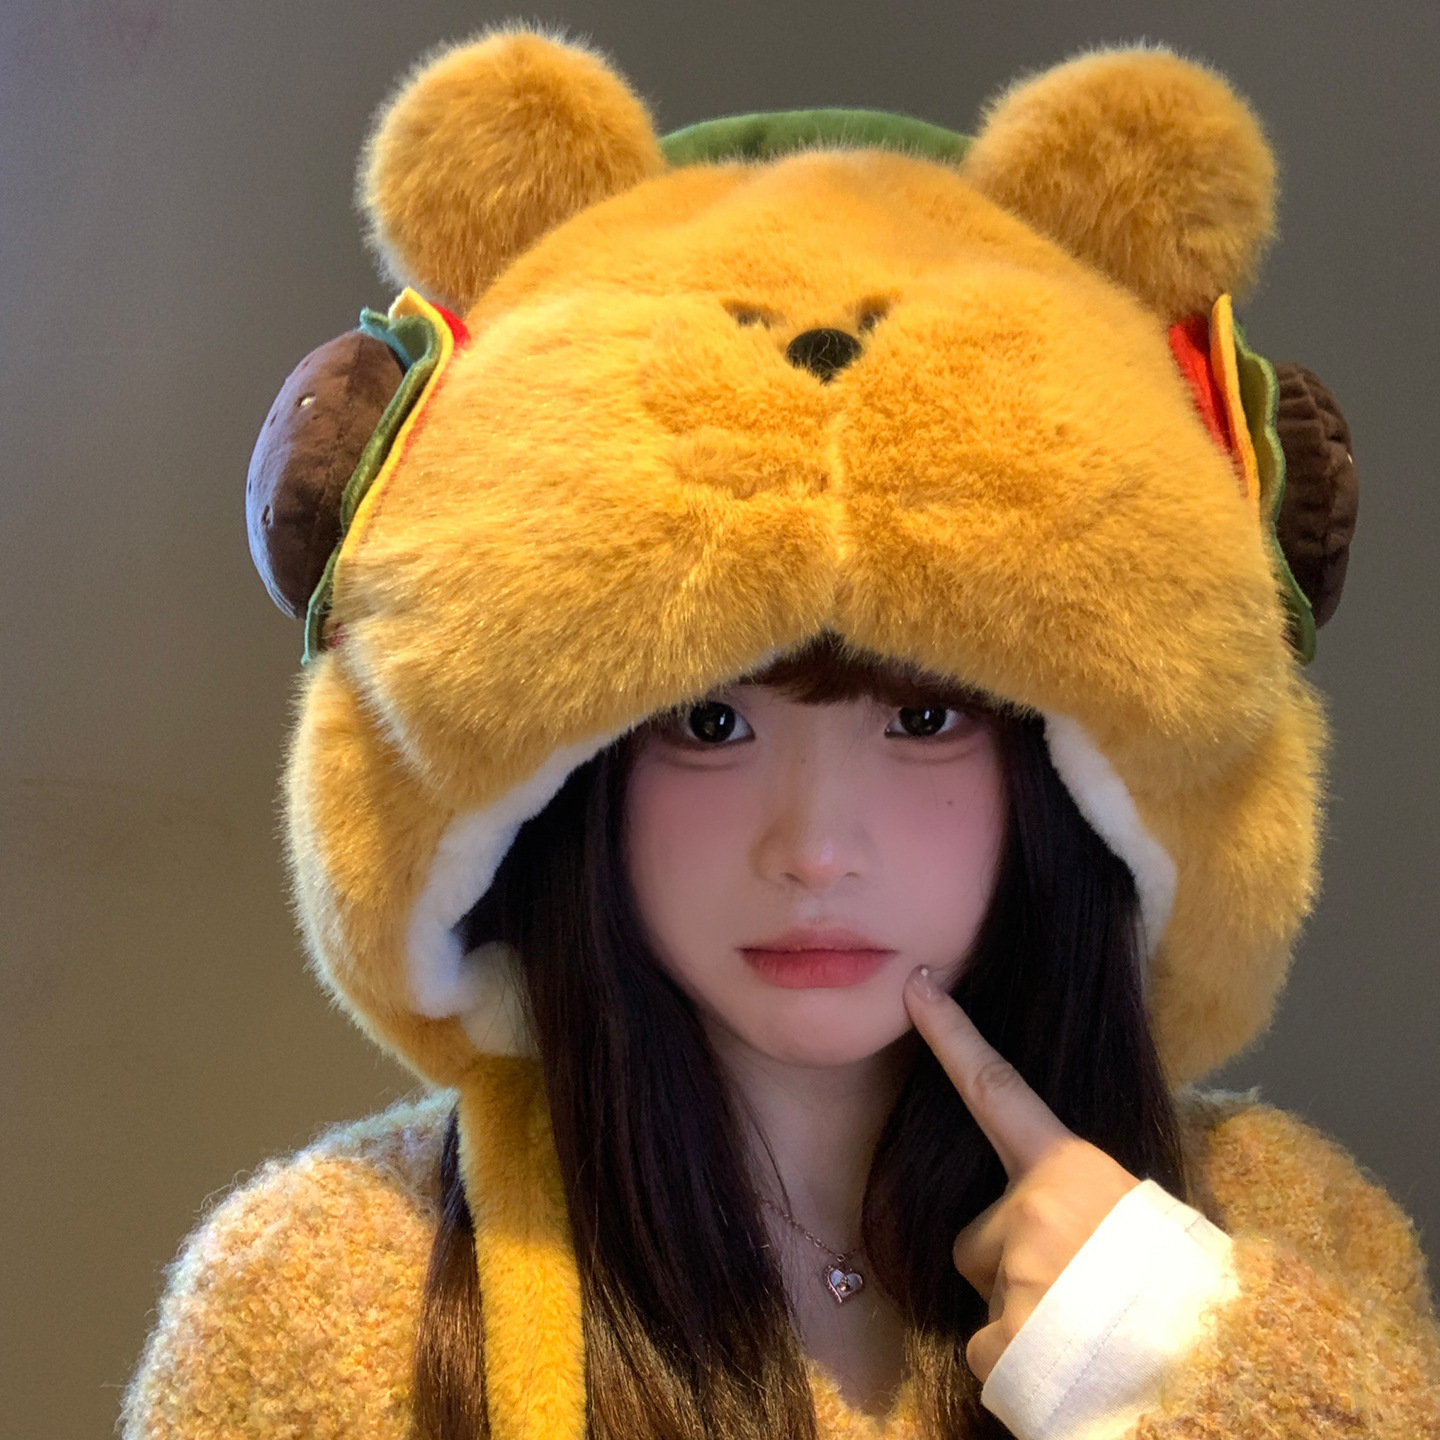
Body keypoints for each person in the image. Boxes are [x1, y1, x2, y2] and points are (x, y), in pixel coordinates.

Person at [124, 27, 1437, 1440]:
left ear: (1075, 776)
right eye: (708, 722)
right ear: (565, 777)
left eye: (924, 718)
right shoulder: (324, 1290)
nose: (815, 851)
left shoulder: (1290, 1232)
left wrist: (1178, 1366)